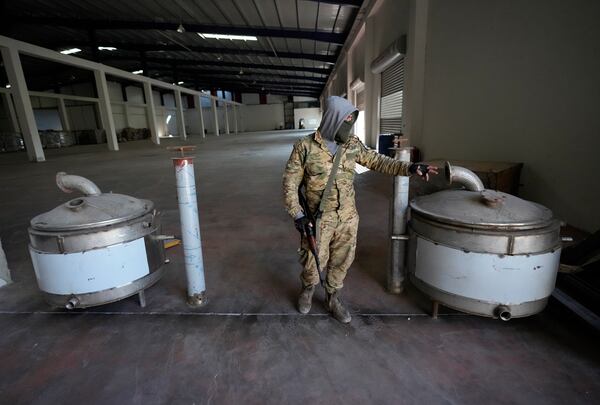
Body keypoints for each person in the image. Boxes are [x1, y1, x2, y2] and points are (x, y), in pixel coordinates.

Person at [282, 96, 438, 323]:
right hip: (318, 220)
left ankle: (332, 297)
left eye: (352, 119)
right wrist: (298, 215)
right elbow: (290, 184)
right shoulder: (305, 147)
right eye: (345, 119)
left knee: (342, 260)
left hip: (347, 217)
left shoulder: (352, 145)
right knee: (312, 260)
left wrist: (411, 168)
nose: (349, 123)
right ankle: (307, 290)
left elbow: (379, 162)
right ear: (333, 119)